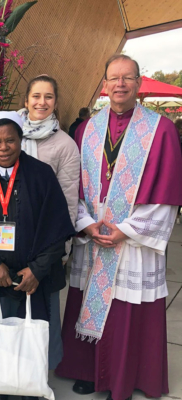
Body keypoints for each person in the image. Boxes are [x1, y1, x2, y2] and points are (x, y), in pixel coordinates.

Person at [55, 54, 182, 400]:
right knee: (85, 301)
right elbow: (74, 186)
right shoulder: (87, 129)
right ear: (105, 85)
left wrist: (126, 229)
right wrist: (87, 224)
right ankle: (86, 370)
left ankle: (122, 378)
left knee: (127, 310)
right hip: (96, 235)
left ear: (139, 83)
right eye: (114, 78)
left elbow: (168, 193)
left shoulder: (162, 130)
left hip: (132, 240)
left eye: (128, 78)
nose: (120, 84)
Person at [0, 111, 75, 400]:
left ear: (21, 140)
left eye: (10, 140)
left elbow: (58, 228)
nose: (4, 147)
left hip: (33, 277)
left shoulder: (41, 174)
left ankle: (31, 387)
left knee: (31, 338)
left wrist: (38, 270)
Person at [15, 74, 80, 370]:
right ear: (26, 99)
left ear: (56, 102)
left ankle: (38, 373)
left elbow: (68, 200)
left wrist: (61, 249)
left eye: (49, 97)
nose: (42, 102)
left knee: (42, 311)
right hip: (5, 237)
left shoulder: (64, 145)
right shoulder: (7, 132)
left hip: (42, 242)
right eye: (36, 96)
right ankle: (6, 371)